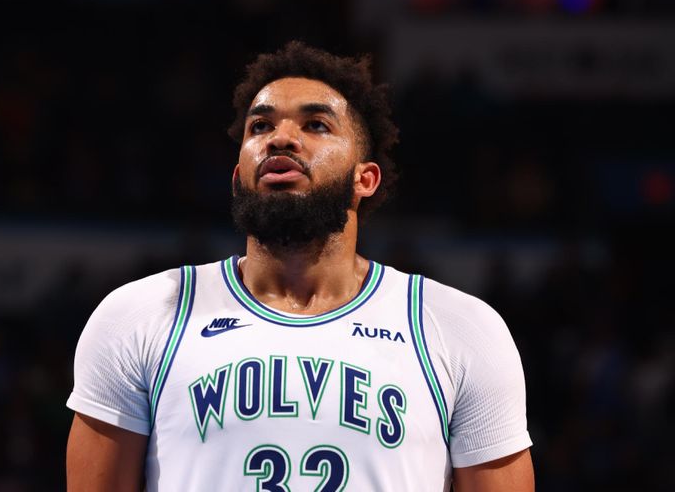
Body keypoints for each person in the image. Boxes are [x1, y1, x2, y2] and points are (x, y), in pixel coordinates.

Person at [66, 41, 534, 491]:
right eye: (260, 127)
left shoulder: (459, 329)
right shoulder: (140, 315)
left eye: (316, 125)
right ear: (237, 175)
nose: (281, 139)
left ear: (364, 179)